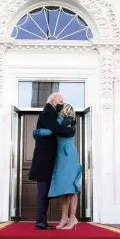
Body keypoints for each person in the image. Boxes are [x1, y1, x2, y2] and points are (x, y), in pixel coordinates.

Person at [29, 93, 76, 230]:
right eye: (60, 101)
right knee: (43, 193)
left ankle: (42, 221)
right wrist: (69, 130)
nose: (62, 103)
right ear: (53, 102)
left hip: (48, 161)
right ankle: (40, 222)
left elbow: (51, 130)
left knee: (45, 194)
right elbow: (56, 129)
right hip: (44, 161)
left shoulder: (52, 113)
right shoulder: (48, 113)